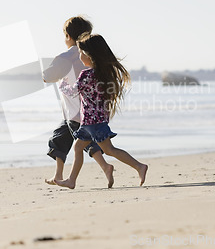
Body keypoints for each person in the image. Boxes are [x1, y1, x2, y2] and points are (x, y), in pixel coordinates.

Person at [55, 34, 148, 189]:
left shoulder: (86, 74)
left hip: (91, 123)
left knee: (106, 149)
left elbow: (72, 92)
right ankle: (71, 180)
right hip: (97, 121)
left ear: (90, 55)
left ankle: (139, 166)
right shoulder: (104, 74)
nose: (80, 56)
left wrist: (62, 84)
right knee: (83, 148)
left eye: (81, 53)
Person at [42, 16, 114, 188]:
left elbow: (48, 77)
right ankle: (58, 175)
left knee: (86, 143)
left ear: (68, 36)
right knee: (59, 139)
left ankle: (105, 167)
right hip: (82, 111)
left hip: (76, 113)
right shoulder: (92, 55)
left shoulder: (68, 56)